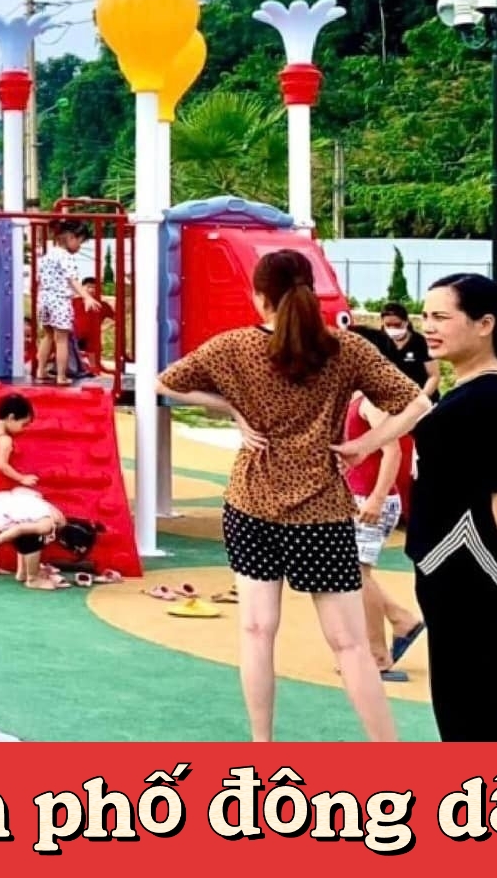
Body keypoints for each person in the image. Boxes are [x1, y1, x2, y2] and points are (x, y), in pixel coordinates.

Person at [157, 247, 431, 743]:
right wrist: (364, 445)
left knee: (257, 632)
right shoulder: (345, 348)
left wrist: (235, 410)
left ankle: (262, 747)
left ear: (259, 296)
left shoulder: (234, 346)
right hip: (321, 510)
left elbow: (168, 382)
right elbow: (416, 403)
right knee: (350, 645)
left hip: (251, 502)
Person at [337, 273, 497, 741]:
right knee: (466, 693)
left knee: (470, 697)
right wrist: (362, 447)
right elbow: (477, 476)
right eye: (426, 316)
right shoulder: (471, 390)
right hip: (454, 562)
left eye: (442, 317)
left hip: (470, 566)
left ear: (485, 324)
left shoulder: (491, 397)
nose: (429, 327)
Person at [344, 389, 421, 681]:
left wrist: (377, 498)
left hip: (372, 499)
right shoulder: (350, 399)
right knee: (353, 573)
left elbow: (393, 451)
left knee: (357, 574)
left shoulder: (370, 403)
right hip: (357, 496)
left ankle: (377, 655)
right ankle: (401, 619)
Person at [0, 393, 65, 588]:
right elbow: (1, 464)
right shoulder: (4, 440)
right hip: (0, 494)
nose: (23, 429)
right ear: (10, 417)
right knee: (42, 521)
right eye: (23, 424)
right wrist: (21, 478)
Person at [352, 301, 438, 399]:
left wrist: (421, 398)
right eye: (388, 325)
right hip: (393, 399)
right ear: (382, 323)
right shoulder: (378, 340)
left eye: (397, 325)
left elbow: (434, 376)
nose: (393, 329)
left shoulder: (421, 342)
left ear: (406, 322)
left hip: (422, 396)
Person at [36, 221, 84, 383]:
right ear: (71, 238)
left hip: (44, 299)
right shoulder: (66, 257)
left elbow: (40, 279)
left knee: (48, 336)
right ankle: (61, 376)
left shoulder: (47, 256)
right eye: (80, 242)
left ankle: (41, 370)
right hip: (60, 301)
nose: (79, 246)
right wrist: (86, 296)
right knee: (62, 340)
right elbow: (72, 280)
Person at [72, 276, 115, 375]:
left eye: (95, 287)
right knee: (71, 351)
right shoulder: (75, 302)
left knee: (93, 354)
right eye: (88, 287)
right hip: (75, 334)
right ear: (82, 288)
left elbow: (115, 318)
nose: (91, 290)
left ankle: (94, 370)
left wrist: (106, 327)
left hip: (92, 336)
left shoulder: (103, 305)